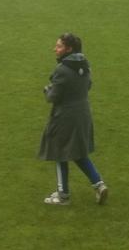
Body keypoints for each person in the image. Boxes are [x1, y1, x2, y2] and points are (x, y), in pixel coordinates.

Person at [38, 33, 108, 206]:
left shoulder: (62, 70)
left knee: (60, 152)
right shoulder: (85, 64)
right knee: (78, 152)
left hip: (65, 116)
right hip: (83, 113)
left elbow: (53, 97)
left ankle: (63, 196)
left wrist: (47, 90)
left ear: (69, 49)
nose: (55, 49)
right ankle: (99, 184)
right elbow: (88, 85)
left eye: (59, 46)